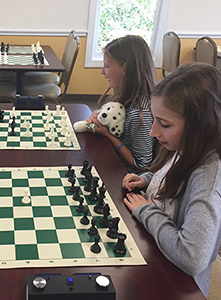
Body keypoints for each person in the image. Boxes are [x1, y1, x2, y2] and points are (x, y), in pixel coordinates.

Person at [122, 63, 221, 298]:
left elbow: (192, 258)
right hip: (154, 250)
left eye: (164, 124)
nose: (152, 132)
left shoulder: (207, 179)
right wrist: (147, 180)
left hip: (177, 284)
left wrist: (146, 210)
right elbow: (169, 175)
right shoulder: (183, 147)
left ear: (200, 126)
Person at [86, 35, 157, 174]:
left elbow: (141, 165)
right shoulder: (124, 97)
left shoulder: (140, 114)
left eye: (107, 66)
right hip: (111, 161)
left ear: (125, 68)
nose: (102, 72)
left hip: (123, 176)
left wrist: (108, 135)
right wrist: (98, 117)